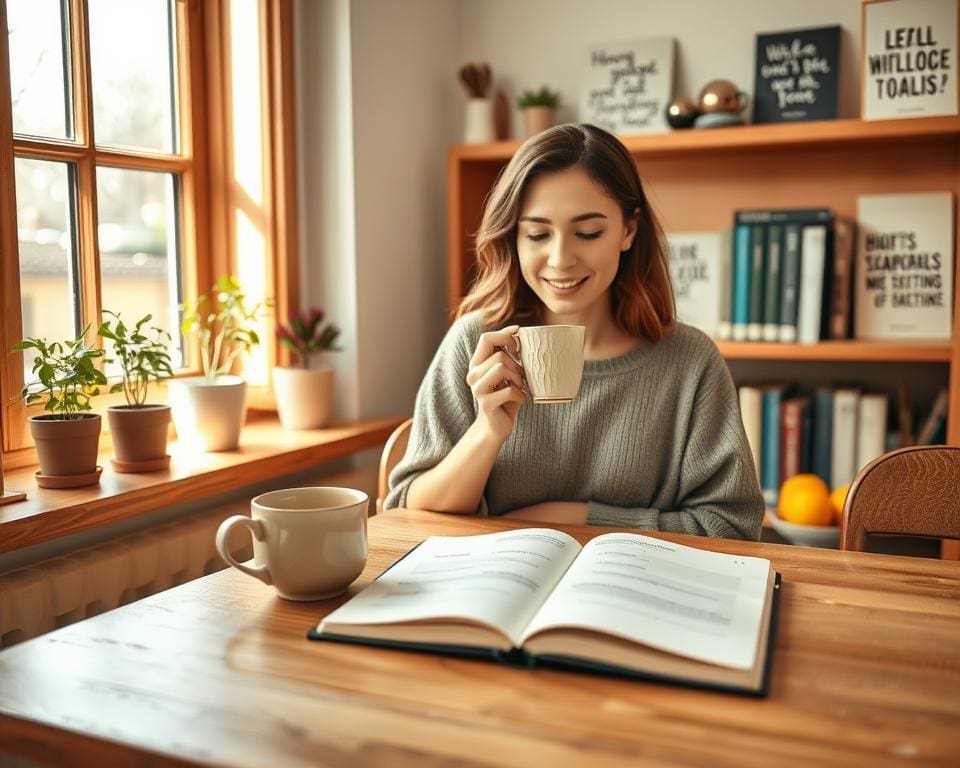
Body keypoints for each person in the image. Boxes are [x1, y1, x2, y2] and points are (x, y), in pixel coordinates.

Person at [384, 123, 763, 540]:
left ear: (628, 231)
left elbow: (731, 528)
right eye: (537, 234)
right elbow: (408, 511)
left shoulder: (690, 362)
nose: (560, 258)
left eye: (587, 233)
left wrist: (573, 517)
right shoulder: (475, 343)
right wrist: (488, 431)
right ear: (514, 237)